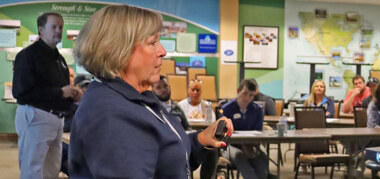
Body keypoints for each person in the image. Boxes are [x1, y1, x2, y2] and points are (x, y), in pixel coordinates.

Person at [69, 5, 232, 178]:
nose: (163, 51)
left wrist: (201, 140)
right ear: (119, 51)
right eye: (153, 42)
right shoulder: (112, 116)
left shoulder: (137, 98)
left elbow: (168, 158)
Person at [12, 12, 83, 178]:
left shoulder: (59, 60)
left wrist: (73, 95)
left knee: (51, 169)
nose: (58, 30)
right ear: (41, 30)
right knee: (33, 170)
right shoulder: (27, 56)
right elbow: (21, 93)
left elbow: (60, 91)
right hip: (36, 117)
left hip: (57, 120)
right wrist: (60, 92)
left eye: (61, 27)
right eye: (54, 27)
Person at [221, 78, 269, 179]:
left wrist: (252, 146)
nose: (247, 98)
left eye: (251, 95)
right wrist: (242, 146)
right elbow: (224, 133)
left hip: (251, 144)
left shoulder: (257, 110)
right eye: (245, 93)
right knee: (240, 156)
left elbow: (258, 132)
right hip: (231, 145)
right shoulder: (227, 109)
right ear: (238, 91)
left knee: (262, 158)